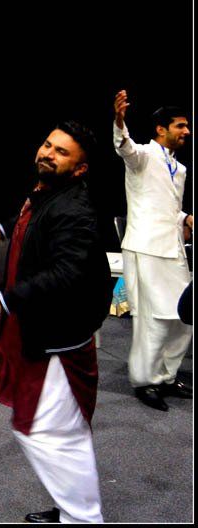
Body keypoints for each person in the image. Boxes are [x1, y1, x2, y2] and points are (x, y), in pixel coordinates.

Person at [0, 120, 111, 524]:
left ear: (80, 169)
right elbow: (30, 219)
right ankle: (72, 512)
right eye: (48, 144)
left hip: (58, 342)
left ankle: (83, 518)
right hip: (41, 333)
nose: (48, 153)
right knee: (54, 431)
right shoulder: (49, 194)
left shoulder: (74, 210)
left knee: (48, 433)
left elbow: (67, 275)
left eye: (62, 152)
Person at [112, 93, 193, 410]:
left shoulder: (181, 169)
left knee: (183, 318)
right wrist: (119, 121)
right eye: (181, 126)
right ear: (161, 129)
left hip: (173, 250)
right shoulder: (143, 155)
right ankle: (145, 381)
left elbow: (169, 208)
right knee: (152, 320)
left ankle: (166, 376)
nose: (187, 131)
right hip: (145, 249)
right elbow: (124, 147)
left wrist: (185, 218)